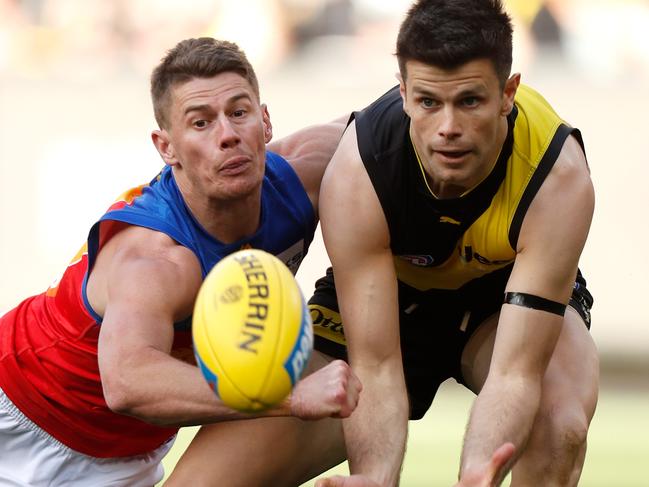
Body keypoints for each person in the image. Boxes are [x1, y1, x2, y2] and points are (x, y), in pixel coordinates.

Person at [0, 37, 361, 486]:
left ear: (265, 121)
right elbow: (128, 381)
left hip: (123, 455)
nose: (227, 134)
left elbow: (395, 126)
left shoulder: (314, 167)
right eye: (201, 122)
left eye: (239, 112)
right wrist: (290, 397)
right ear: (166, 147)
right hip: (16, 415)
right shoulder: (156, 258)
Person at [309, 0, 598, 485]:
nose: (448, 128)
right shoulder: (359, 170)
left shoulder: (558, 176)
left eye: (469, 101)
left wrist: (477, 474)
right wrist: (375, 478)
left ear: (508, 93)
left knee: (558, 421)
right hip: (391, 302)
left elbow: (515, 373)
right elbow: (375, 366)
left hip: (499, 299)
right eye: (427, 102)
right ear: (402, 94)